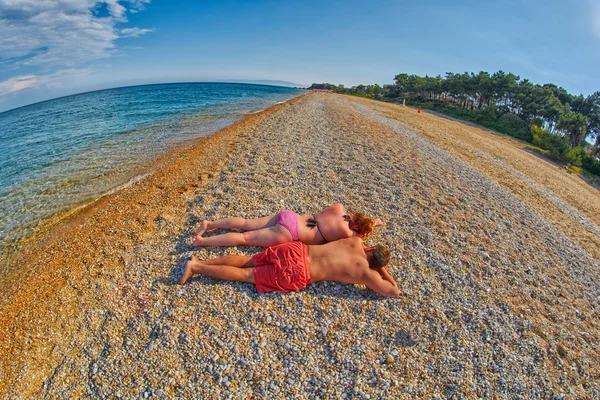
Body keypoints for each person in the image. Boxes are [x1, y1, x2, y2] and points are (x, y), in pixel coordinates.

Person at [180, 237, 399, 298]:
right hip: (300, 272)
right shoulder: (365, 273)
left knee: (249, 260)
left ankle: (199, 262)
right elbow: (393, 291)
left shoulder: (356, 242)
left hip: (298, 250)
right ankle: (197, 268)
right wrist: (381, 270)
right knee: (246, 275)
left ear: (370, 249)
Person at [193, 203, 383, 247]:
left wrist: (371, 220)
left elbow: (349, 217)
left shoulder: (339, 208)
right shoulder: (346, 232)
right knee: (244, 239)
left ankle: (209, 224)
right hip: (291, 232)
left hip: (290, 216)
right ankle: (201, 242)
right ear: (358, 227)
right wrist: (374, 224)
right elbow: (359, 239)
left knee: (245, 223)